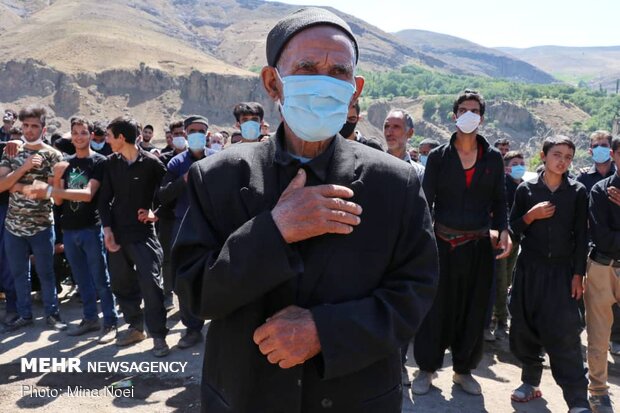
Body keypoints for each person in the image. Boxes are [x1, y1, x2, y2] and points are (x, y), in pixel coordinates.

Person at [172, 7, 439, 412]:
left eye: (338, 73)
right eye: (307, 67)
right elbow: (194, 294)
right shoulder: (219, 176)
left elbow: (415, 292)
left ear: (355, 88)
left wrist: (325, 331)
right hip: (245, 395)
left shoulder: (395, 183)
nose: (322, 83)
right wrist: (273, 230)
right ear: (272, 83)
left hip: (357, 396)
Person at [412, 89, 512, 396]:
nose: (469, 114)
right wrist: (421, 239)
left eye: (475, 110)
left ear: (481, 117)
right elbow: (425, 201)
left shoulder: (493, 158)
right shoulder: (440, 157)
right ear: (455, 115)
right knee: (436, 309)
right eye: (464, 109)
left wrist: (503, 230)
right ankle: (426, 369)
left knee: (473, 309)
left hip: (478, 246)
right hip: (441, 244)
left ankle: (463, 370)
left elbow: (499, 198)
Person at [508, 135, 590, 413]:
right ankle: (530, 382)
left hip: (562, 273)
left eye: (568, 157)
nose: (562, 161)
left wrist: (578, 274)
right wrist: (530, 216)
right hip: (529, 269)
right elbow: (513, 230)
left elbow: (582, 235)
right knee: (523, 327)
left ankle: (578, 400)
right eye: (557, 154)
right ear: (543, 156)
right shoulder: (526, 190)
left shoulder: (577, 192)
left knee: (565, 332)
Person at [23, 117, 119, 342]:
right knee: (81, 277)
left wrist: (48, 190)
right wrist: (56, 178)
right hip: (69, 229)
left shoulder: (100, 162)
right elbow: (58, 203)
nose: (79, 137)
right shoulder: (65, 163)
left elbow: (87, 195)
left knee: (100, 278)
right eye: (75, 132)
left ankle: (111, 322)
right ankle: (90, 319)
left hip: (91, 228)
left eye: (83, 132)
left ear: (90, 134)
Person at [98, 116, 170, 357]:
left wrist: (155, 213)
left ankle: (158, 335)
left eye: (109, 135)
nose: (107, 140)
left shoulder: (152, 164)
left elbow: (168, 195)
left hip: (143, 235)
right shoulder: (110, 164)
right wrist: (107, 230)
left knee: (151, 284)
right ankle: (135, 327)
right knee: (121, 283)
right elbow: (104, 200)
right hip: (118, 234)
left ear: (121, 137)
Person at [0, 105, 67, 331]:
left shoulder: (53, 154)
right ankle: (24, 315)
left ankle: (53, 314)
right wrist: (24, 168)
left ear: (43, 128)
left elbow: (52, 191)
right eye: (26, 126)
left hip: (41, 225)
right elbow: (1, 185)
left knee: (46, 273)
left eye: (34, 126)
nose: (29, 130)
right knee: (20, 274)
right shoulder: (11, 151)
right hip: (14, 226)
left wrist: (17, 187)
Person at [159, 115, 214, 349]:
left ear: (208, 135)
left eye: (201, 131)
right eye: (192, 130)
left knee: (213, 276)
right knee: (184, 278)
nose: (197, 134)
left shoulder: (218, 159)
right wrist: (184, 180)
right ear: (184, 133)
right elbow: (163, 194)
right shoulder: (175, 163)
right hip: (182, 226)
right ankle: (192, 329)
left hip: (211, 226)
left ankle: (217, 323)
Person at [584, 136, 620, 413]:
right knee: (598, 333)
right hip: (603, 268)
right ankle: (598, 392)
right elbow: (603, 238)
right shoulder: (600, 189)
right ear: (614, 155)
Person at [577, 130, 620, 357]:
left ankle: (616, 338)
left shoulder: (615, 176)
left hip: (612, 250)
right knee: (591, 300)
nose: (602, 148)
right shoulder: (586, 179)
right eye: (598, 145)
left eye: (605, 144)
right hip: (593, 249)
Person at [485, 150, 526, 341]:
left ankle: (498, 316)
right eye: (515, 163)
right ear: (507, 167)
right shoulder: (503, 185)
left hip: (516, 241)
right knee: (500, 281)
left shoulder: (525, 187)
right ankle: (499, 320)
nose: (520, 166)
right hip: (502, 240)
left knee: (507, 280)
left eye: (522, 162)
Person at [383, 109, 425, 178]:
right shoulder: (372, 167)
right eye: (386, 126)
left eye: (396, 127)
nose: (388, 133)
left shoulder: (419, 173)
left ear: (410, 133)